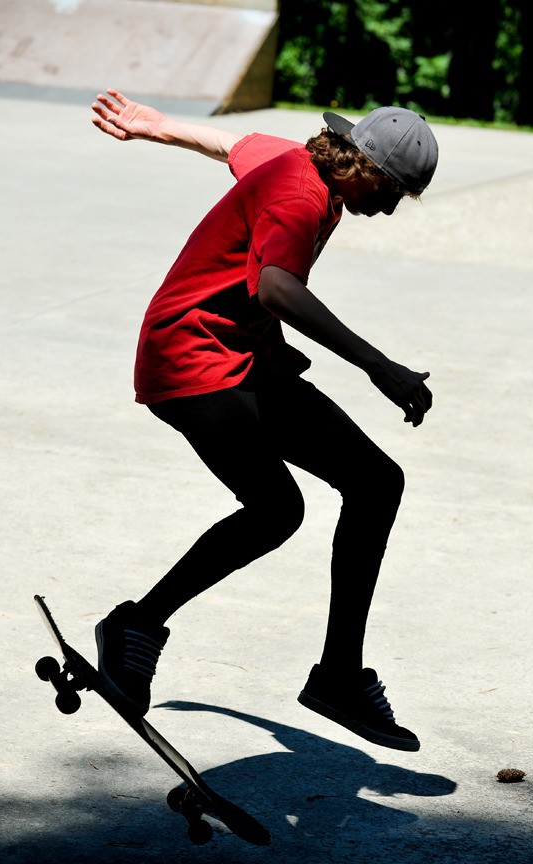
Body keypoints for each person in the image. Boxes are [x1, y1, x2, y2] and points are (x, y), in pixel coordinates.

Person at [90, 88, 439, 752]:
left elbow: (229, 145)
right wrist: (378, 366)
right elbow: (278, 285)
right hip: (187, 360)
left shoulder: (291, 160)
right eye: (392, 191)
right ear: (363, 164)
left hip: (244, 356)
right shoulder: (300, 196)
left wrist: (157, 126)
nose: (391, 207)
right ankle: (137, 625)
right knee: (276, 509)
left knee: (375, 481)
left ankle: (339, 675)